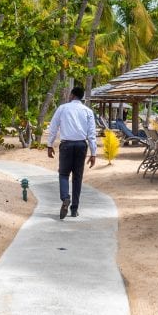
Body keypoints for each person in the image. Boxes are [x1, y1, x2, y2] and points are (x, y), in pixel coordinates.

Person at [45, 86, 97, 219]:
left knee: (63, 174)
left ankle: (65, 198)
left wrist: (50, 145)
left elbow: (53, 127)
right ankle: (74, 209)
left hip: (66, 145)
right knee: (77, 177)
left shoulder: (62, 108)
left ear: (72, 95)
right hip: (81, 145)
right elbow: (91, 134)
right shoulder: (88, 111)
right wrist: (93, 153)